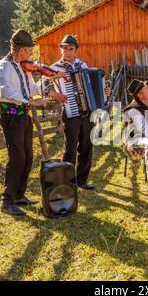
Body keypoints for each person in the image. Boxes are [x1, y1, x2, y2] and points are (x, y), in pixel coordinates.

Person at [0, 29, 66, 216]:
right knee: (17, 157)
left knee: (28, 156)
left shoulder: (24, 67)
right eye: (29, 51)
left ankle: (19, 195)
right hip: (10, 116)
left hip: (23, 116)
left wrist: (49, 80)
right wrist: (31, 101)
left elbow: (33, 87)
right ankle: (7, 200)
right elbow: (4, 91)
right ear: (20, 50)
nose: (32, 55)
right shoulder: (3, 67)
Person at [42, 34, 110, 190]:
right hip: (70, 113)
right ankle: (68, 182)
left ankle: (82, 180)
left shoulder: (83, 66)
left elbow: (95, 87)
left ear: (76, 50)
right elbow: (40, 88)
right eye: (64, 48)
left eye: (70, 48)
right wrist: (55, 94)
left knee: (87, 147)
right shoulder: (54, 68)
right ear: (61, 49)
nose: (67, 51)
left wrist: (104, 92)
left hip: (88, 113)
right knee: (70, 148)